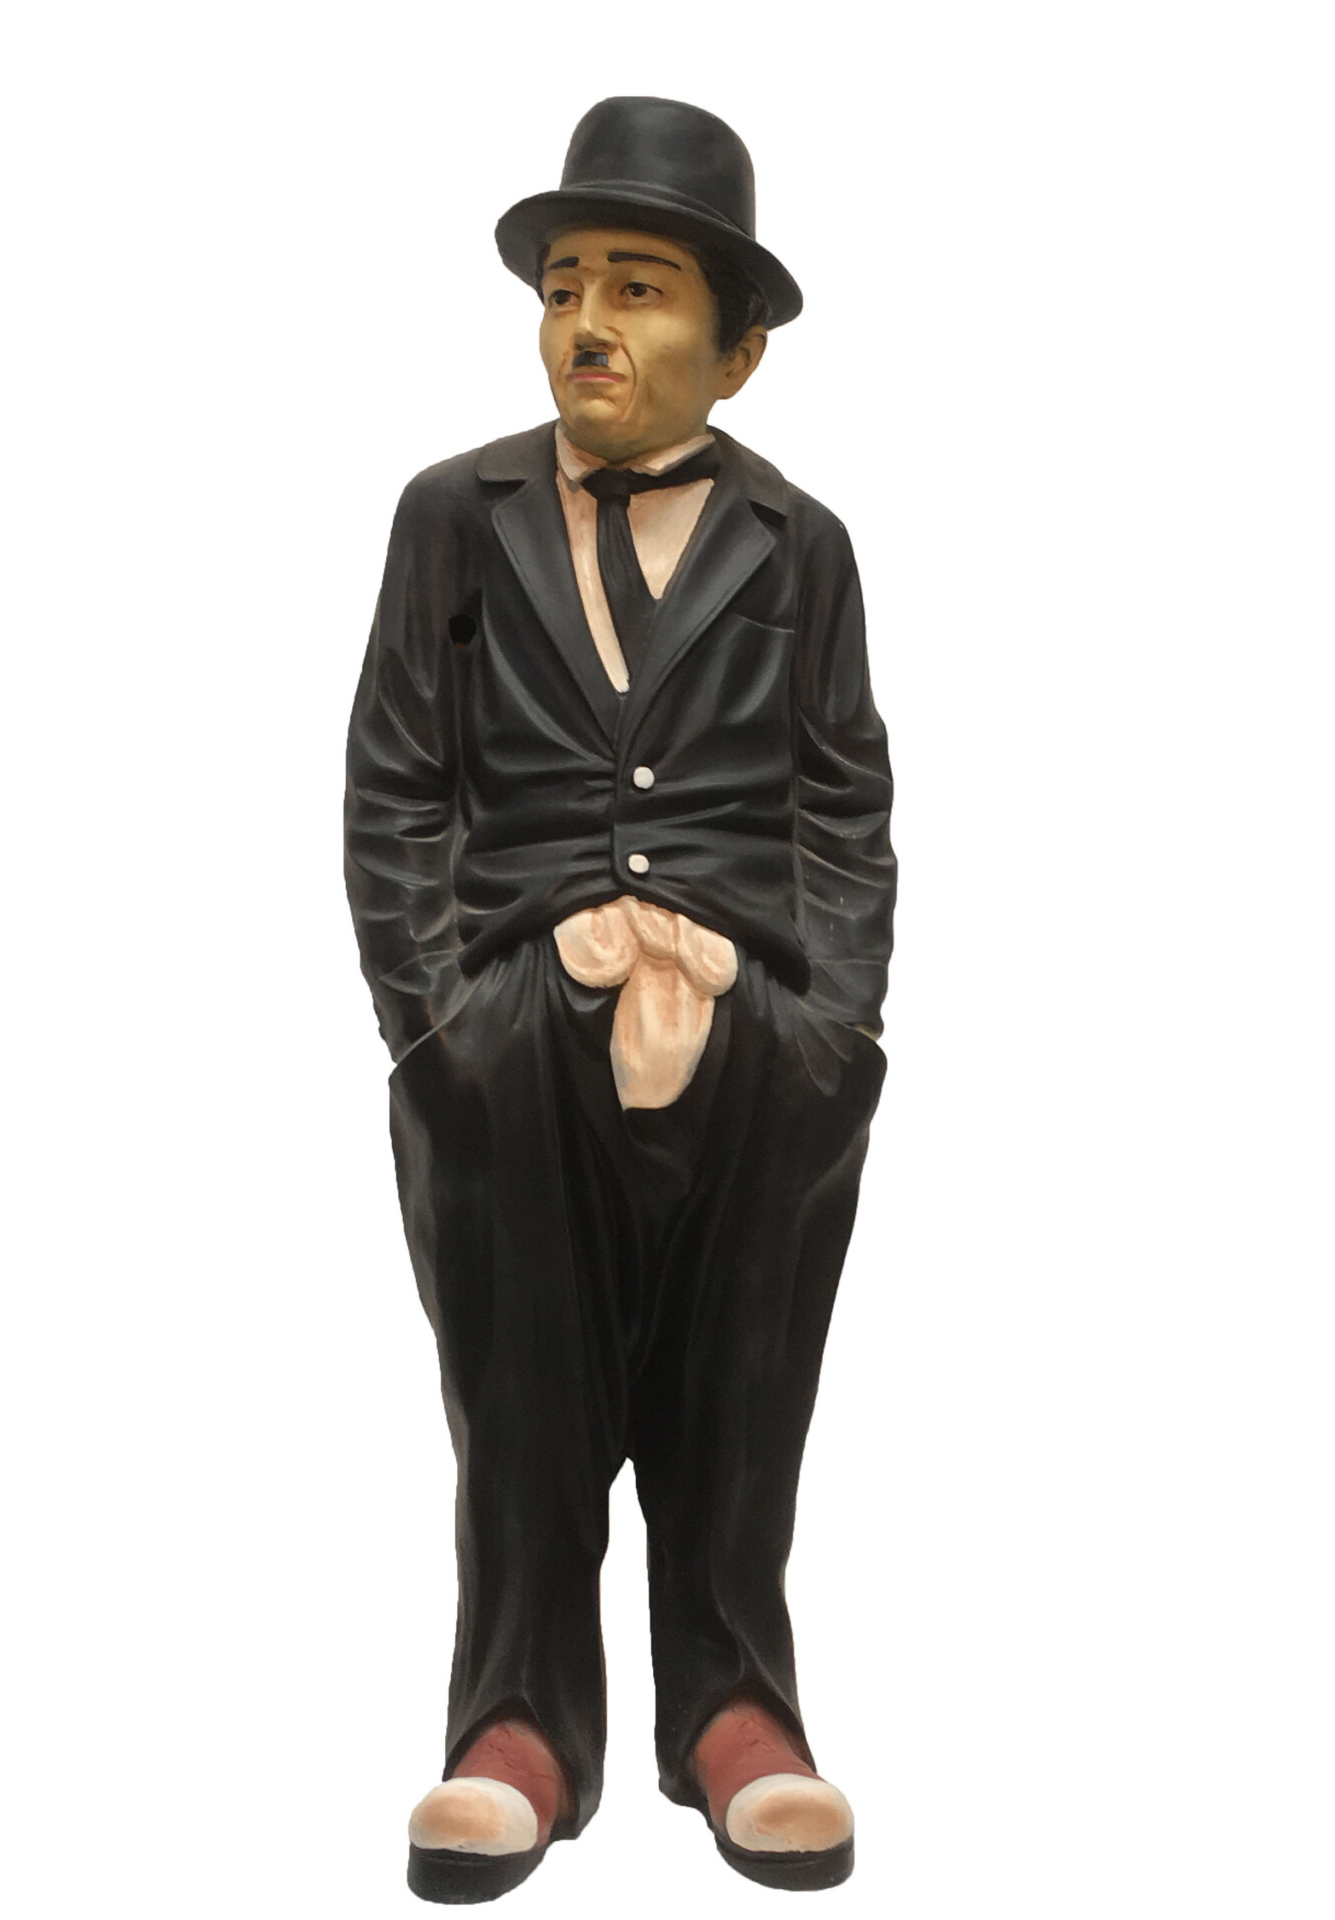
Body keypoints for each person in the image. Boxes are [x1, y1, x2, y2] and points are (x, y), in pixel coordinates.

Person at [345, 95, 897, 1901]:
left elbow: (843, 800)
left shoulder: (800, 545)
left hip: (755, 1031)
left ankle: (735, 1708)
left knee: (743, 1384)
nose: (586, 322)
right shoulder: (454, 516)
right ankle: (514, 1719)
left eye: (638, 289)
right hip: (514, 1026)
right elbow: (395, 785)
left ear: (735, 352)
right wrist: (439, 1024)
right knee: (521, 1388)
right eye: (564, 285)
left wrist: (833, 1031)